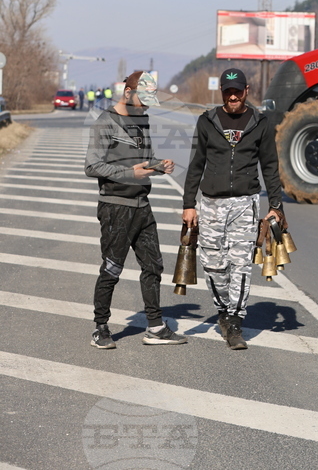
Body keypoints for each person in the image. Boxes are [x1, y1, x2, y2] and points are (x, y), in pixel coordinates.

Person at [182, 68, 283, 351]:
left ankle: (236, 321)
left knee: (240, 264)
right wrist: (189, 203)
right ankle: (223, 310)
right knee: (213, 264)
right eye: (228, 91)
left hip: (245, 203)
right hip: (211, 204)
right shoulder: (207, 122)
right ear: (222, 93)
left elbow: (270, 167)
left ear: (247, 90)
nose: (233, 95)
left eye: (238, 90)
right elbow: (196, 164)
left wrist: (276, 206)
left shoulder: (260, 123)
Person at [85, 71, 187, 349]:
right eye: (143, 100)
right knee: (112, 269)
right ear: (127, 93)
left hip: (142, 206)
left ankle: (155, 327)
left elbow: (145, 160)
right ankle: (101, 328)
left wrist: (158, 166)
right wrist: (130, 172)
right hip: (116, 208)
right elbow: (91, 166)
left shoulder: (142, 121)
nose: (146, 106)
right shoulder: (105, 122)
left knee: (154, 266)